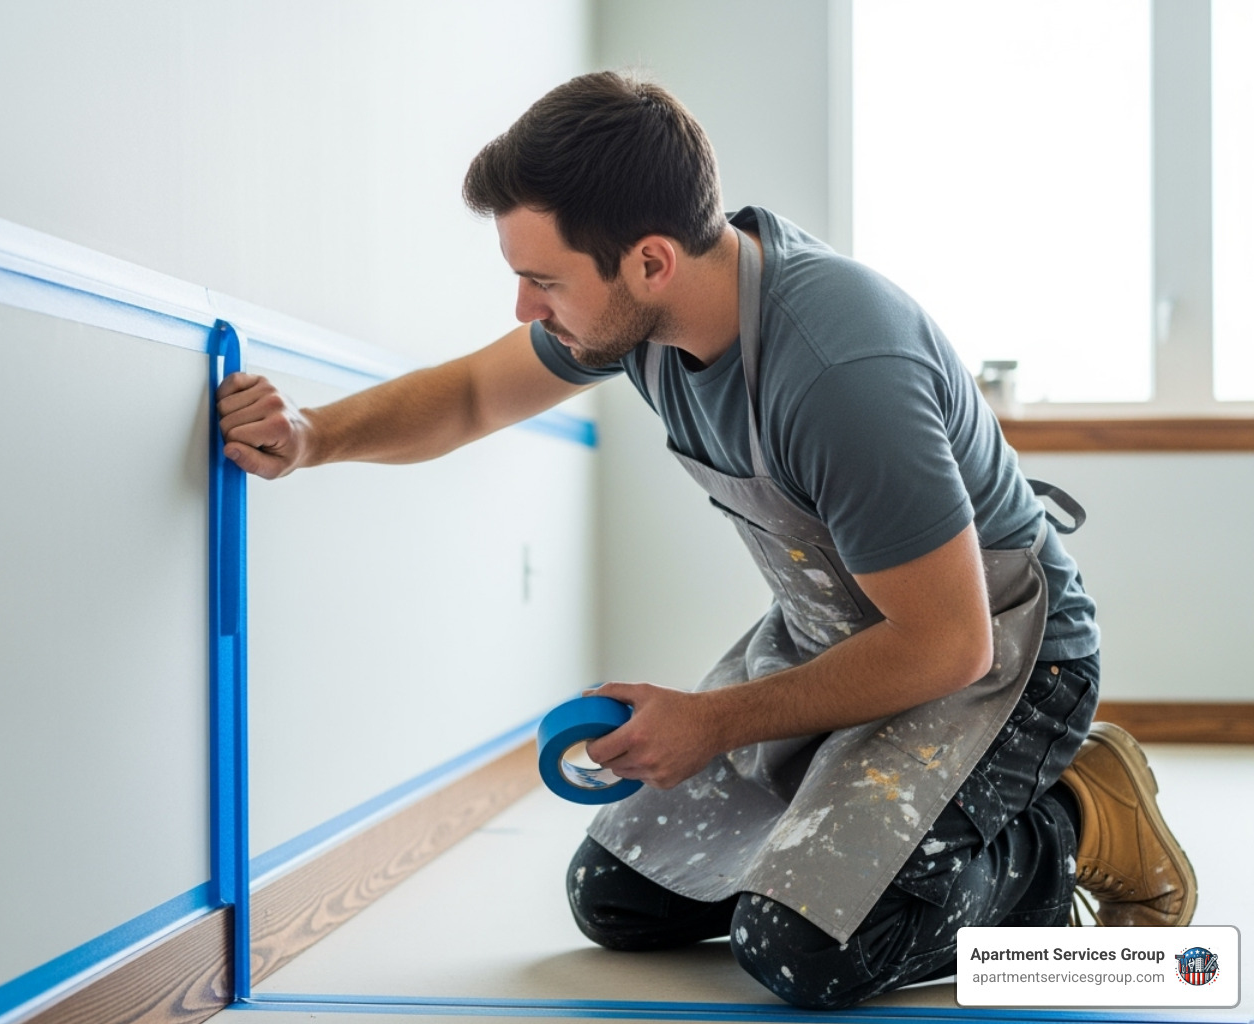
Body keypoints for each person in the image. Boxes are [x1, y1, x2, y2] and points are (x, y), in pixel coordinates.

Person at [214, 71, 1196, 1008]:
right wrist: (310, 438)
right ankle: (848, 858)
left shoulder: (840, 367)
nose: (525, 308)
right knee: (620, 899)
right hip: (846, 643)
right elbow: (473, 393)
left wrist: (713, 721)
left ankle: (1073, 822)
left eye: (541, 280)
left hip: (997, 657)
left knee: (806, 951)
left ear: (650, 259)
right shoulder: (644, 313)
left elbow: (949, 644)